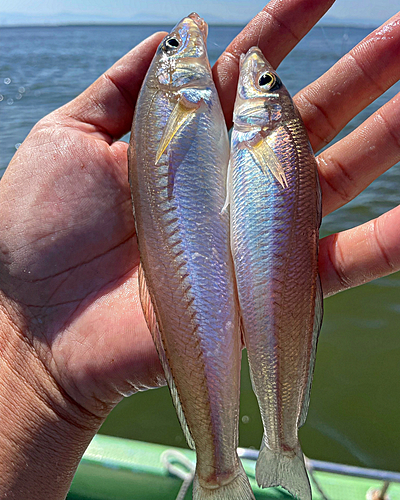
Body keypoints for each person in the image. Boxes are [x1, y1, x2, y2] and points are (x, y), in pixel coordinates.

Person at [0, 0, 399, 497]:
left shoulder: (214, 110)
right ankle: (223, 467)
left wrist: (34, 372)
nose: (186, 37)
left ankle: (272, 445)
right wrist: (32, 366)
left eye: (265, 86)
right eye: (174, 46)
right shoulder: (184, 102)